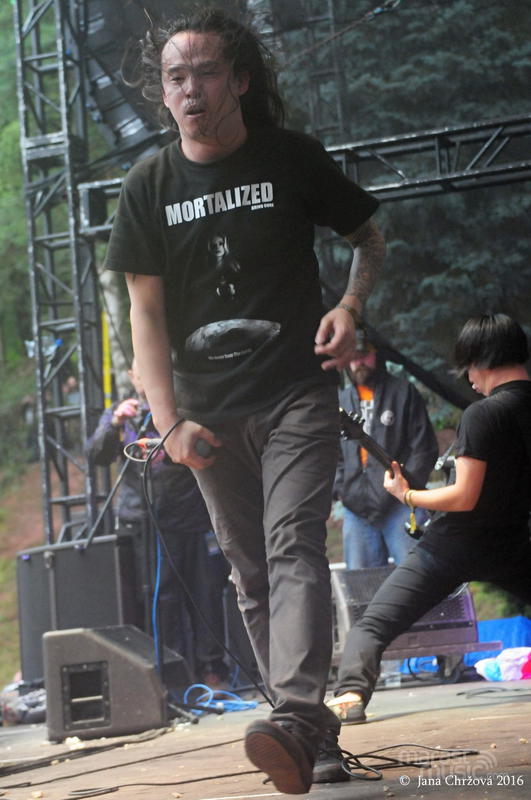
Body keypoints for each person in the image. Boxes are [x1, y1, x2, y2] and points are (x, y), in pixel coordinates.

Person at [105, 8, 385, 793]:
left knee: (292, 545)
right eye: (175, 77)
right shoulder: (148, 186)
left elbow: (368, 236)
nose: (189, 90)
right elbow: (145, 315)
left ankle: (292, 715)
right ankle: (310, 738)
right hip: (206, 416)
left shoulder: (290, 159)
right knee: (252, 573)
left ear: (238, 80)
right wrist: (168, 425)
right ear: (162, 92)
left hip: (295, 390)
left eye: (203, 73)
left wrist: (349, 307)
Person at [327, 313, 531, 727]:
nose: (469, 378)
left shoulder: (483, 414)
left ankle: (350, 695)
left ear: (483, 359)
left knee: (373, 624)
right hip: (513, 542)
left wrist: (407, 495)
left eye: (468, 366)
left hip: (453, 546)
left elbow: (463, 496)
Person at [87, 360, 229, 686]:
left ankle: (212, 671)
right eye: (140, 372)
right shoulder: (122, 414)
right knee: (161, 598)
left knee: (205, 594)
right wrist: (115, 423)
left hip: (191, 518)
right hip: (146, 523)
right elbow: (96, 454)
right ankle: (171, 675)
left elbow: (209, 447)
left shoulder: (184, 407)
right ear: (132, 377)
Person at [335, 333, 438, 568]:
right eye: (352, 357)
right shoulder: (342, 400)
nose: (358, 362)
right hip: (356, 511)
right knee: (361, 584)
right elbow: (332, 452)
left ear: (376, 355)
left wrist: (406, 488)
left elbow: (424, 448)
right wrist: (341, 488)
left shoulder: (403, 392)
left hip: (401, 504)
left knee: (416, 575)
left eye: (364, 355)